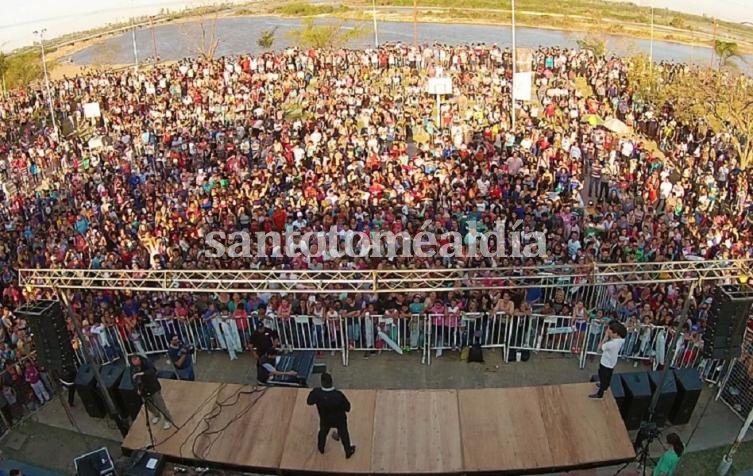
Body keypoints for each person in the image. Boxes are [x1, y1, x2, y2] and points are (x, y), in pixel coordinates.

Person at [306, 373, 356, 459]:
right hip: (339, 419)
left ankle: (321, 448)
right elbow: (348, 407)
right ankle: (348, 452)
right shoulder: (338, 395)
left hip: (325, 419)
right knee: (344, 434)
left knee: (323, 433)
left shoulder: (317, 393)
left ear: (322, 382)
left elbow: (309, 402)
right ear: (331, 382)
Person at [130, 354, 174, 430]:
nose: (135, 364)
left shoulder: (146, 362)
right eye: (133, 362)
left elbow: (153, 371)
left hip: (153, 387)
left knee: (160, 405)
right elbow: (133, 379)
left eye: (136, 361)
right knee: (149, 406)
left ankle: (168, 420)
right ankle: (156, 415)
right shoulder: (132, 368)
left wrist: (142, 373)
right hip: (143, 390)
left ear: (138, 359)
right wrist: (137, 388)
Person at [590, 320, 626, 399]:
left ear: (615, 334)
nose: (608, 332)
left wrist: (605, 338)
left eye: (610, 331)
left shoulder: (611, 344)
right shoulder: (621, 340)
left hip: (605, 362)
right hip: (612, 362)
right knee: (608, 376)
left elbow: (599, 348)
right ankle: (605, 386)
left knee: (602, 376)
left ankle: (600, 393)